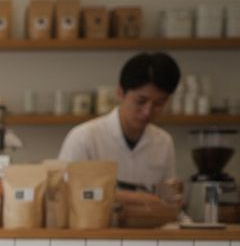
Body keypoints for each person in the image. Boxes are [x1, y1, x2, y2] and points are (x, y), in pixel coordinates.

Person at [57, 52, 183, 206]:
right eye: (140, 101)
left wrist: (173, 194)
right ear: (120, 93)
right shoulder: (84, 137)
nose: (147, 111)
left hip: (149, 228)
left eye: (158, 104)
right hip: (94, 228)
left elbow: (168, 201)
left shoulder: (164, 142)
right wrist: (143, 198)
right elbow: (65, 194)